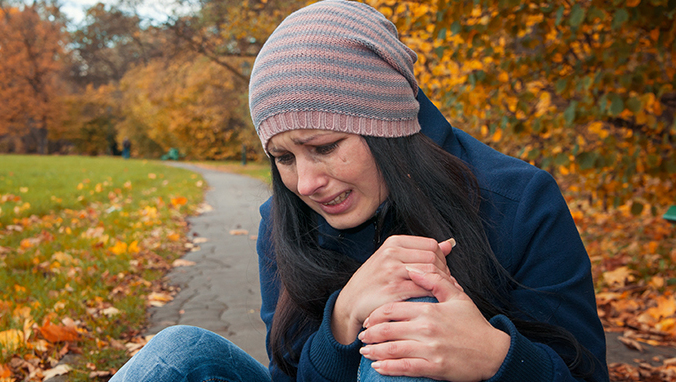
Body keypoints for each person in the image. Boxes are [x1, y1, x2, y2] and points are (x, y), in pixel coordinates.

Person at [110, 1, 609, 381]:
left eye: (324, 146)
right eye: (284, 158)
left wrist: (497, 355)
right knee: (176, 354)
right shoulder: (283, 219)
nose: (305, 183)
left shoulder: (520, 201)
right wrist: (343, 318)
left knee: (408, 324)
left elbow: (584, 371)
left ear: (386, 125)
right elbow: (289, 372)